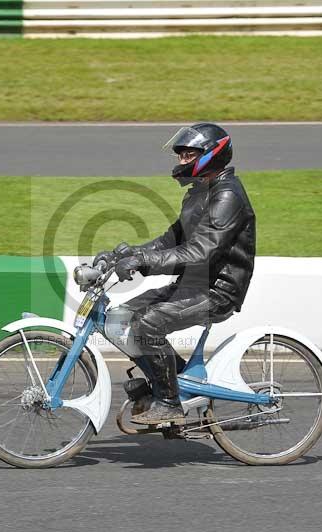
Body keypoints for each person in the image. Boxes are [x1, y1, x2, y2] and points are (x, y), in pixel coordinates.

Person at [93, 123, 256, 425]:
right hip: (192, 285)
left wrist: (143, 261)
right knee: (120, 317)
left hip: (219, 291)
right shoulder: (199, 193)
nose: (181, 160)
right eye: (180, 155)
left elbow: (200, 252)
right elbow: (172, 240)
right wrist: (127, 253)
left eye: (188, 154)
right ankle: (170, 384)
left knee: (149, 324)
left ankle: (169, 402)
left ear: (211, 155)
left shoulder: (227, 196)